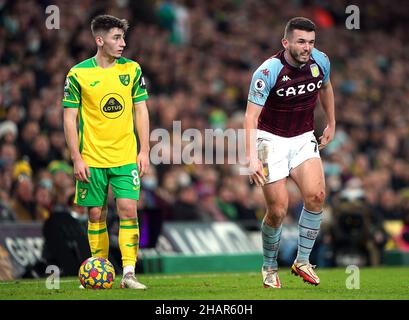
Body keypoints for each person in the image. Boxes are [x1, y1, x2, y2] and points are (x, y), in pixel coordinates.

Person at [244, 17, 335, 288]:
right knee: (278, 209)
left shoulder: (321, 62)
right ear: (286, 43)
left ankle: (302, 261)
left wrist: (331, 122)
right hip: (269, 140)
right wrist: (251, 157)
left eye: (311, 42)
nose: (307, 48)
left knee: (317, 196)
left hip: (303, 137)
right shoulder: (268, 71)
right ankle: (270, 266)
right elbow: (250, 118)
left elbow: (326, 87)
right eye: (301, 42)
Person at [62, 15, 150, 289]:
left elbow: (140, 109)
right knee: (96, 214)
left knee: (128, 210)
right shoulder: (78, 74)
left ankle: (128, 274)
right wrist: (76, 157)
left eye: (123, 37)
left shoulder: (133, 70)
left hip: (125, 156)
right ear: (99, 40)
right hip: (91, 158)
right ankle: (97, 269)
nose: (123, 43)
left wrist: (144, 149)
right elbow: (69, 118)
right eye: (116, 38)